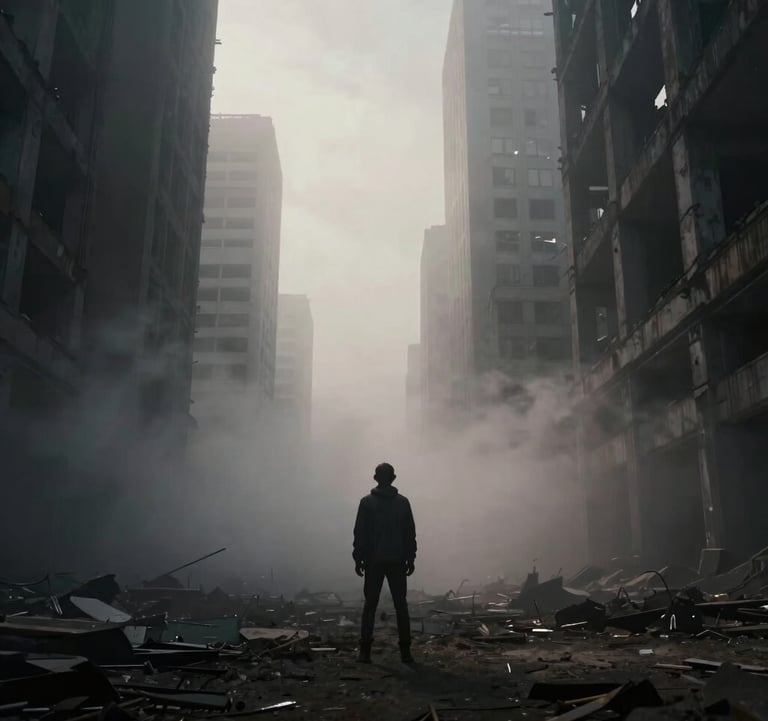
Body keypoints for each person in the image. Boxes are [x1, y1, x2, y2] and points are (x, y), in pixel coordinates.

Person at [353, 462, 417, 664]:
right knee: (401, 606)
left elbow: (360, 533)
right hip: (397, 560)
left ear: (375, 478)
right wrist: (410, 557)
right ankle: (405, 652)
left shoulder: (367, 503)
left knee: (370, 606)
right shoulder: (403, 503)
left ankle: (365, 652)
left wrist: (358, 557)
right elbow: (409, 532)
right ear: (393, 478)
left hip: (374, 561)